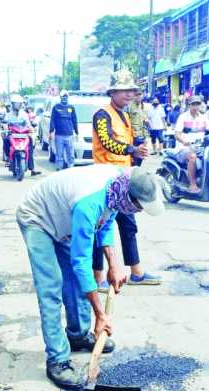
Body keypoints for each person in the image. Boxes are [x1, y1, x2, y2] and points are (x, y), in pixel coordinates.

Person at [17, 164, 165, 388]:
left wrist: (114, 264)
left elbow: (104, 223)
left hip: (66, 218)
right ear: (130, 197)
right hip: (38, 218)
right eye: (140, 207)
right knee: (52, 287)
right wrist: (100, 315)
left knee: (76, 284)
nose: (140, 211)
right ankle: (57, 359)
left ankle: (77, 335)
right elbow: (82, 263)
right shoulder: (90, 202)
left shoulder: (118, 186)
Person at [91, 69, 160, 288]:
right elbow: (106, 142)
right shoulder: (102, 115)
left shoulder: (126, 115)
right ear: (113, 92)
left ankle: (137, 272)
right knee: (101, 227)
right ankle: (97, 276)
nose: (129, 95)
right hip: (105, 179)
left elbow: (129, 147)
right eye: (124, 91)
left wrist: (139, 150)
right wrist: (132, 149)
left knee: (128, 224)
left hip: (124, 177)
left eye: (131, 91)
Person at [174, 95, 209, 194]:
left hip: (199, 147)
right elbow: (177, 134)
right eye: (193, 104)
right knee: (192, 157)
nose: (196, 107)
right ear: (189, 105)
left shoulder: (203, 118)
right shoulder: (183, 117)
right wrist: (184, 141)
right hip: (184, 148)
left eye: (198, 104)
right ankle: (192, 184)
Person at [2, 94, 41, 175]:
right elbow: (5, 123)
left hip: (23, 134)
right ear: (12, 104)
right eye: (15, 103)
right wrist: (5, 128)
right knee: (5, 140)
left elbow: (28, 124)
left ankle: (32, 169)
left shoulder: (24, 114)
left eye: (18, 104)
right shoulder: (8, 114)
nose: (17, 105)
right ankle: (8, 159)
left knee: (30, 146)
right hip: (13, 134)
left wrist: (31, 129)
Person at [49, 90, 79, 170]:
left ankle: (71, 169)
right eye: (63, 96)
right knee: (59, 155)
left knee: (71, 155)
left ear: (68, 97)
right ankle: (59, 169)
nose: (65, 98)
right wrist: (51, 131)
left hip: (69, 135)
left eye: (66, 96)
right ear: (60, 97)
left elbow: (74, 120)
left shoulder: (71, 108)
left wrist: (77, 132)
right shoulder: (56, 107)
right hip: (59, 136)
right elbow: (52, 120)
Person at [127, 90, 150, 167]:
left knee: (140, 160)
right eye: (136, 95)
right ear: (133, 96)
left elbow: (145, 123)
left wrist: (146, 137)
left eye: (140, 94)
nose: (138, 96)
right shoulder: (129, 106)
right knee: (132, 160)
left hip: (142, 138)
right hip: (132, 138)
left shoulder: (143, 107)